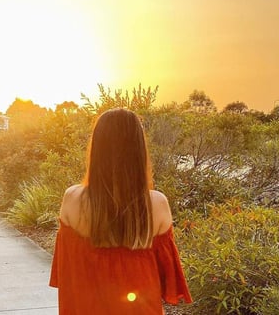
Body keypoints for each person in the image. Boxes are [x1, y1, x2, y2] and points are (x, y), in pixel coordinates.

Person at [49, 108, 192, 314]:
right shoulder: (157, 204)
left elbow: (67, 271)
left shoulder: (73, 199)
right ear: (139, 150)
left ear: (97, 148)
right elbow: (166, 279)